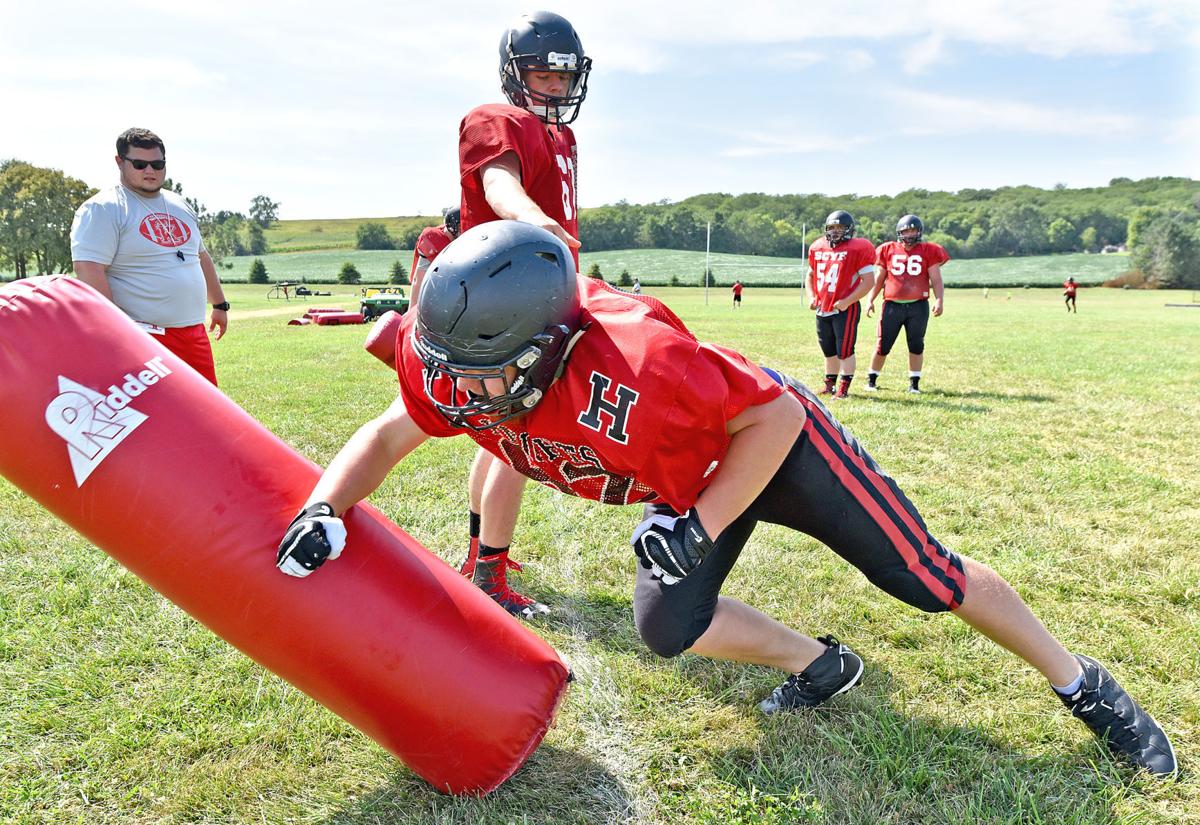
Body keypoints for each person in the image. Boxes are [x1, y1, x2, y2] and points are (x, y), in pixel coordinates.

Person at [277, 221, 1177, 779]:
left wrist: (701, 519)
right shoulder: (457, 363)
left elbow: (775, 414)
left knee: (926, 579)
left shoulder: (635, 369)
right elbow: (392, 430)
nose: (458, 395)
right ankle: (819, 662)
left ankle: (1085, 684)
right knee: (670, 624)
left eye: (485, 375)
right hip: (685, 478)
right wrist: (325, 505)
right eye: (450, 370)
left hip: (770, 446)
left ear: (550, 344)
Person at [451, 11, 593, 618]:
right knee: (521, 437)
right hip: (504, 294)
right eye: (543, 73)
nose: (556, 87)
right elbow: (500, 188)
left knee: (497, 434)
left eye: (564, 77)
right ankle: (488, 575)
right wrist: (544, 230)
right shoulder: (495, 120)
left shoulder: (561, 136)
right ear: (515, 73)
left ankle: (482, 554)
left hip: (532, 288)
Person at [71, 128, 229, 385]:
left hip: (193, 333)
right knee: (157, 418)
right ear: (119, 162)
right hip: (143, 336)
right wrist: (116, 331)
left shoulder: (179, 204)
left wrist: (220, 304)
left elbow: (200, 257)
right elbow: (89, 269)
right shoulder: (104, 208)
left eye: (157, 164)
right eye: (140, 164)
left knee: (203, 417)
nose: (150, 170)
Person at [864, 214, 948, 394]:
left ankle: (914, 383)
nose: (909, 234)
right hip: (892, 305)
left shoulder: (929, 250)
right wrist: (870, 299)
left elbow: (937, 280)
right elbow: (879, 279)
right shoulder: (888, 249)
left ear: (920, 232)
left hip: (918, 306)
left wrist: (939, 299)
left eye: (913, 230)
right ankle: (871, 380)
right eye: (906, 230)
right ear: (899, 232)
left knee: (916, 344)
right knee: (883, 344)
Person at [807, 210, 876, 399]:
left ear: (849, 229)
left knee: (844, 350)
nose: (836, 231)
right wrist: (812, 296)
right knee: (828, 349)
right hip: (823, 307)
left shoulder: (858, 248)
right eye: (832, 227)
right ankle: (829, 385)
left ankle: (843, 389)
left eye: (840, 227)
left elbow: (869, 281)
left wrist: (847, 302)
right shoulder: (818, 246)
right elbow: (810, 275)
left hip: (845, 307)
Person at [409, 206, 460, 304]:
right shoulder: (433, 238)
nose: (466, 229)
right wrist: (412, 309)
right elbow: (418, 280)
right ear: (451, 225)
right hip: (432, 290)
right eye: (461, 226)